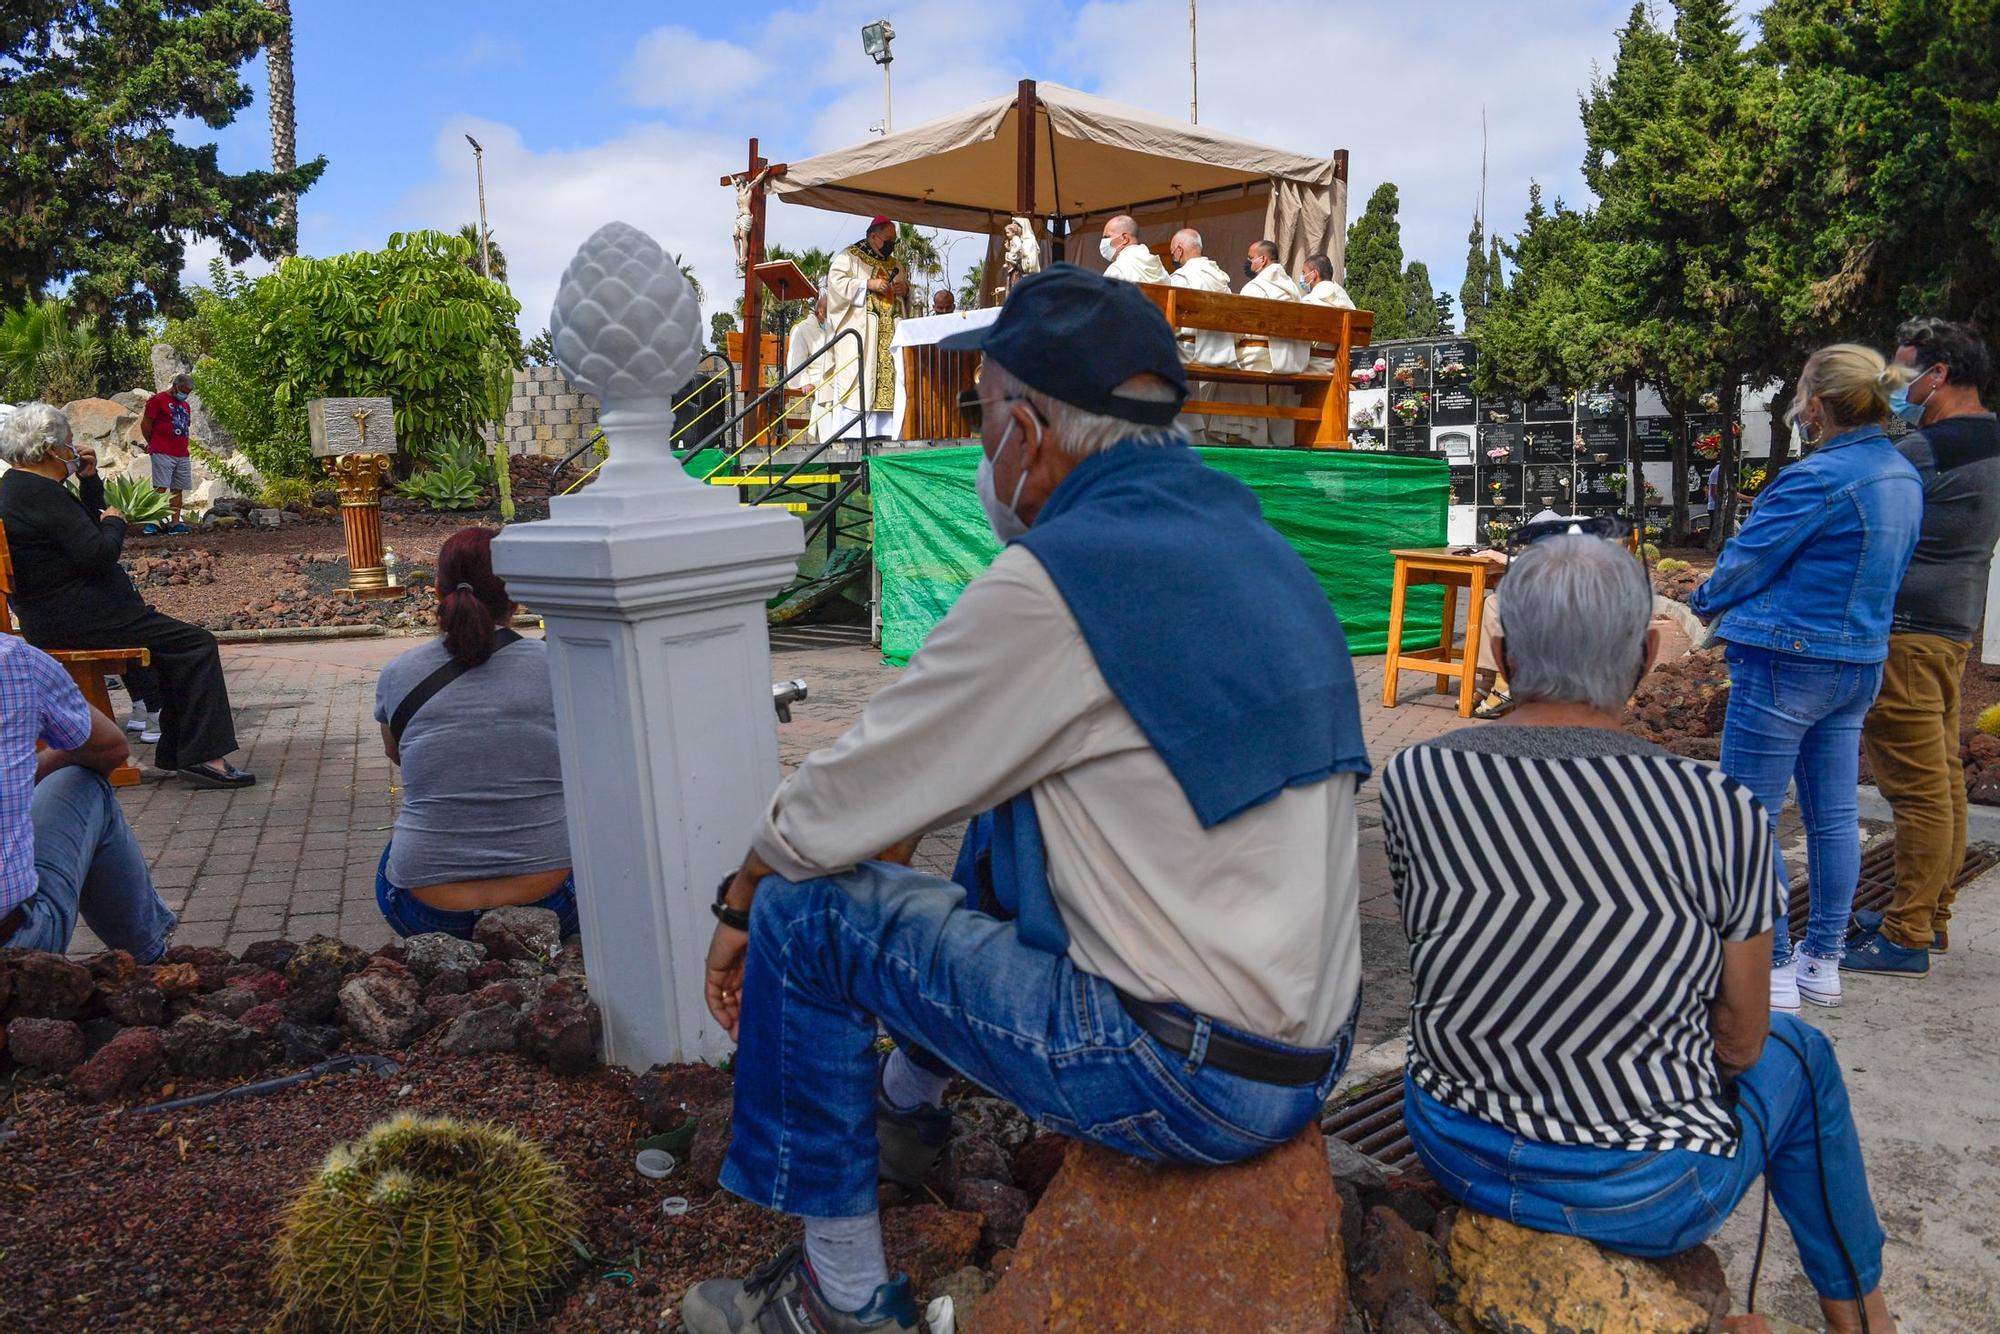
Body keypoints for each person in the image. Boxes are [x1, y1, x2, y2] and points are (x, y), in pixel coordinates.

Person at [680, 266, 1370, 1333]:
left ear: (1024, 430)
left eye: (978, 412)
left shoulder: (1060, 583)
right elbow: (911, 776)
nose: (977, 446)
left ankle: (842, 1298)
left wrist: (738, 908)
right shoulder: (1254, 547)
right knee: (1012, 805)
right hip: (1300, 1051)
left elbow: (823, 808)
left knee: (802, 914)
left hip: (1178, 1077)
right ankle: (906, 1114)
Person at [1380, 533, 1894, 1334]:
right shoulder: (1717, 808)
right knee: (1806, 1057)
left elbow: (1448, 945)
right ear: (1648, 654)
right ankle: (1863, 1319)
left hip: (1456, 1141)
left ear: (1503, 655)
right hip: (1646, 1190)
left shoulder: (1418, 776)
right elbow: (1744, 1041)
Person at [1687, 346, 1921, 1011]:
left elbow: (1748, 559)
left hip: (1786, 660)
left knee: (1749, 818)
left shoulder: (1816, 477)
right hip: (1858, 662)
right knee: (1833, 817)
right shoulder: (1901, 474)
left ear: (1814, 406)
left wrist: (1700, 603)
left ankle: (1776, 966)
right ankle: (1823, 959)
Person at [1850, 319, 2000, 975]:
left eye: (1904, 369)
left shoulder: (1925, 452)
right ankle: (1929, 915)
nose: (1895, 381)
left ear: (1939, 375)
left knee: (1913, 791)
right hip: (1953, 624)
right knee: (1940, 781)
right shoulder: (1992, 438)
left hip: (1907, 631)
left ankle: (1907, 934)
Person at [0, 403, 254, 789]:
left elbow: (76, 533)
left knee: (173, 648)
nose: (75, 450)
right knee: (195, 646)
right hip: (82, 616)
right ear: (50, 449)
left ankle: (183, 753)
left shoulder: (19, 489)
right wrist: (116, 524)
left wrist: (88, 481)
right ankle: (205, 757)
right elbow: (96, 554)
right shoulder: (40, 494)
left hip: (59, 612)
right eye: (69, 443)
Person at [372, 527, 576, 942]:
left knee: (398, 851)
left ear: (436, 592)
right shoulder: (562, 664)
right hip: (553, 900)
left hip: (422, 907)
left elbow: (398, 754)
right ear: (514, 597)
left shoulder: (398, 673)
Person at [0, 632, 177, 958]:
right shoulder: (14, 660)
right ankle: (150, 959)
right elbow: (110, 749)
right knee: (83, 781)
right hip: (16, 952)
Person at [825, 216, 907, 439]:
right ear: (873, 237)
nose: (892, 245)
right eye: (888, 240)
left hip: (888, 334)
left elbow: (903, 298)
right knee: (859, 382)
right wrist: (867, 284)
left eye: (894, 241)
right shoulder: (849, 257)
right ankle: (851, 434)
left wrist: (904, 291)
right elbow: (835, 284)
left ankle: (887, 433)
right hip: (861, 334)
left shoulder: (895, 265)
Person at [1165, 227, 1241, 445]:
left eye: (1173, 252)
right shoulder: (1221, 278)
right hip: (1222, 350)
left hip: (1190, 350)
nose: (1173, 257)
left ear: (1179, 250)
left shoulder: (1180, 278)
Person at [1237, 240, 1309, 446]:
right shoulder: (1293, 290)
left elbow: (1240, 328)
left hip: (1259, 357)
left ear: (1263, 260)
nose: (1248, 262)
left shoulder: (1254, 288)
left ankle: (1246, 437)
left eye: (1250, 258)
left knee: (1222, 363)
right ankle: (1281, 441)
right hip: (1291, 359)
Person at [139, 372, 195, 534]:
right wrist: (152, 443)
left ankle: (175, 522)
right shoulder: (158, 400)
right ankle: (154, 521)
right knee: (161, 487)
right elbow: (146, 424)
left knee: (177, 488)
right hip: (163, 450)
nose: (185, 394)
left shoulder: (185, 406)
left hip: (181, 453)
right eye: (183, 390)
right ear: (176, 385)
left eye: (188, 392)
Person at [785, 294, 834, 446]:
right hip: (816, 376)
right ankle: (829, 442)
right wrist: (805, 381)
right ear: (821, 311)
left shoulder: (834, 327)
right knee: (826, 393)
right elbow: (796, 359)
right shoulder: (802, 329)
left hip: (836, 373)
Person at [1298, 254, 1356, 375]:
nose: (1302, 277)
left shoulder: (1309, 302)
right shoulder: (1347, 303)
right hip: (1339, 367)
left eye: (1304, 272)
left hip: (1310, 366)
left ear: (1314, 274)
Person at [1099, 214, 1167, 284]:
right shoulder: (1162, 271)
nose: (1103, 242)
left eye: (1106, 237)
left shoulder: (1117, 270)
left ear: (1125, 238)